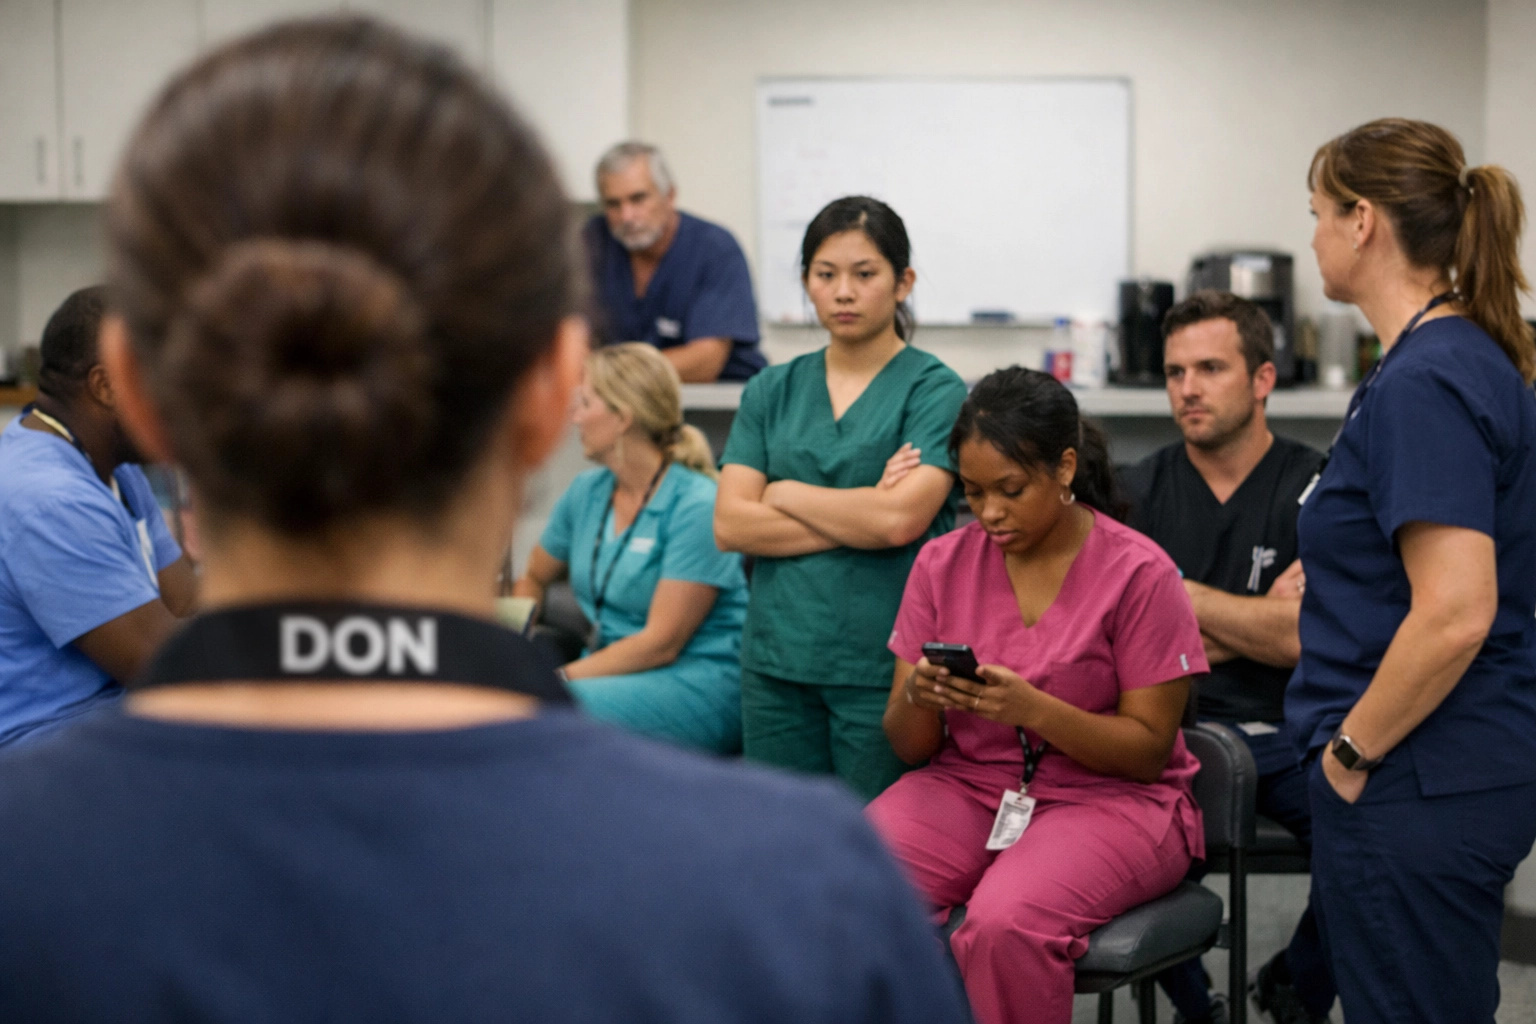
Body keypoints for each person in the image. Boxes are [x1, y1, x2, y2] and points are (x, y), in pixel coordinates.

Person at [0, 20, 973, 1023]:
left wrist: (781, 505)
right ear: (555, 390)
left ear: (152, 400)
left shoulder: (25, 861)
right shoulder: (805, 897)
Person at [865, 367, 1207, 1024]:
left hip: (1115, 800)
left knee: (1004, 925)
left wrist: (1033, 710)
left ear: (1065, 468)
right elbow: (910, 746)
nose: (989, 513)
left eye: (1011, 491)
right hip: (971, 785)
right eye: (972, 492)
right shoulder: (942, 564)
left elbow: (1145, 752)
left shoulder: (1140, 573)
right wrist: (923, 694)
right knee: (848, 884)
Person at [1290, 117, 1536, 1024]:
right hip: (1448, 766)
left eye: (1316, 212)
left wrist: (1349, 756)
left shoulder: (1426, 381)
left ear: (1363, 222)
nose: (1311, 235)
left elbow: (1457, 611)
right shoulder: (1455, 354)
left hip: (1412, 776)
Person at [1121, 291, 1333, 1024]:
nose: (1188, 388)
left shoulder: (1320, 488)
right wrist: (1260, 618)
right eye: (1176, 371)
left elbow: (1309, 638)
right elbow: (1117, 648)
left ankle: (1295, 986)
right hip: (1168, 732)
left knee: (1373, 839)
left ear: (1263, 378)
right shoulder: (1134, 493)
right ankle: (1195, 1006)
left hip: (1294, 731)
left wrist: (1174, 596)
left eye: (1210, 367)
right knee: (1123, 845)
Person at [714, 196, 968, 801]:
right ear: (806, 282)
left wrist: (784, 490)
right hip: (776, 661)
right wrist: (862, 509)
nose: (843, 292)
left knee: (878, 848)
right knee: (777, 846)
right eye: (825, 275)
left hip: (880, 665)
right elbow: (730, 526)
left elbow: (902, 520)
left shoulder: (935, 389)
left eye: (865, 273)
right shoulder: (771, 389)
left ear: (902, 282)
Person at [513, 342, 748, 754]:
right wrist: (511, 643)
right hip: (608, 670)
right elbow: (533, 575)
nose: (575, 416)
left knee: (543, 708)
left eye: (584, 402)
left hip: (695, 680)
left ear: (623, 417)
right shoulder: (587, 492)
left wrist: (558, 677)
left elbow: (661, 643)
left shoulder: (696, 504)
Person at [0, 285, 195, 747]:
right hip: (41, 754)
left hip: (112, 722)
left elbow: (187, 603)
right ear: (106, 386)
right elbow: (165, 666)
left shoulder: (116, 472)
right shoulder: (49, 498)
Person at [584, 141, 766, 382]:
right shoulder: (594, 242)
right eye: (613, 204)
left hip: (715, 403)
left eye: (638, 199)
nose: (626, 216)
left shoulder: (714, 248)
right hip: (619, 402)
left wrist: (612, 375)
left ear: (669, 195)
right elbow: (566, 335)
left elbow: (704, 361)